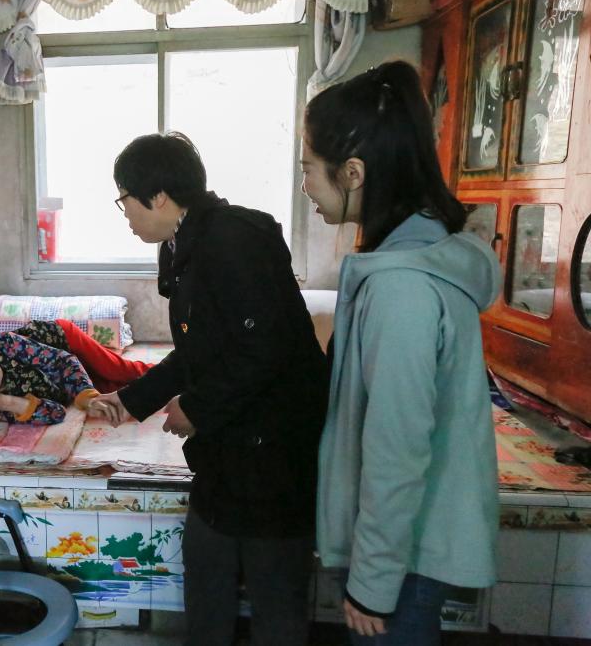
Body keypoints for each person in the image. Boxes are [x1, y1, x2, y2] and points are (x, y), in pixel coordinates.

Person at [95, 132, 329, 646]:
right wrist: (131, 399)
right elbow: (198, 347)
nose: (124, 212)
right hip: (228, 450)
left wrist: (196, 408)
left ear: (159, 197)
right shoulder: (183, 245)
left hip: (274, 456)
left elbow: (264, 348)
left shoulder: (233, 239)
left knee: (275, 600)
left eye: (124, 199)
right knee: (206, 582)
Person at [304, 61, 501, 645]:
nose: (306, 186)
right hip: (408, 547)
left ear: (353, 172)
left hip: (403, 558)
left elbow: (397, 448)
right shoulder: (417, 259)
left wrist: (372, 581)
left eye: (308, 169)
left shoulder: (401, 288)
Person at [0, 319, 153, 425]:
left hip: (65, 343)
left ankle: (171, 374)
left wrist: (86, 396)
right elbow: (57, 413)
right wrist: (4, 402)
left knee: (121, 372)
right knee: (114, 393)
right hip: (61, 384)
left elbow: (62, 363)